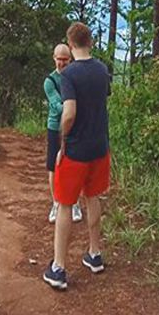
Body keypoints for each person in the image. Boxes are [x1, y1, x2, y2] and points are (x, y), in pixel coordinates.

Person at [43, 22, 111, 292]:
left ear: (70, 45)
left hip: (76, 150)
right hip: (99, 147)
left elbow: (69, 113)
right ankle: (95, 254)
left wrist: (63, 141)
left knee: (64, 204)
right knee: (92, 197)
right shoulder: (102, 70)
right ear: (90, 42)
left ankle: (58, 267)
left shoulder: (69, 74)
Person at [45, 44, 83, 224]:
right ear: (54, 58)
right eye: (59, 59)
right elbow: (57, 105)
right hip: (55, 127)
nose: (61, 63)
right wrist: (74, 108)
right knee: (53, 166)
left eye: (65, 60)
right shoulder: (50, 81)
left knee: (75, 165)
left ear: (70, 59)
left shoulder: (75, 77)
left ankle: (74, 202)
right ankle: (56, 203)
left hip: (75, 126)